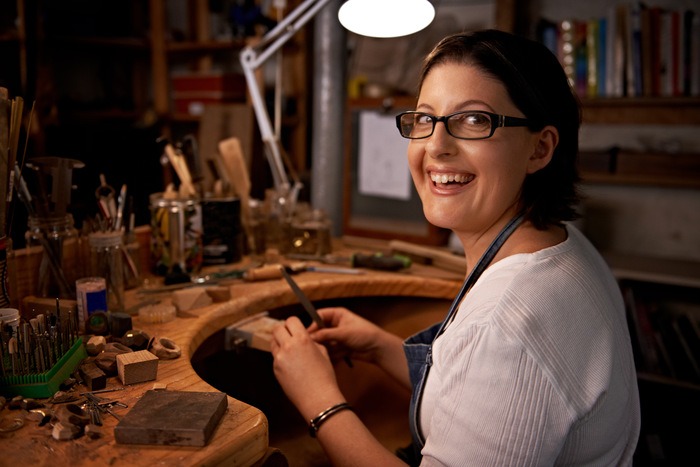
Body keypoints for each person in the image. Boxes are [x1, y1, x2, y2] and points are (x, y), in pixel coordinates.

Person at [270, 29, 640, 466]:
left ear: (540, 149)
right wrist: (379, 346)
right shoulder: (562, 243)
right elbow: (489, 397)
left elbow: (503, 355)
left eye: (474, 121)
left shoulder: (506, 325)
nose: (436, 147)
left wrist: (319, 401)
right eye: (425, 119)